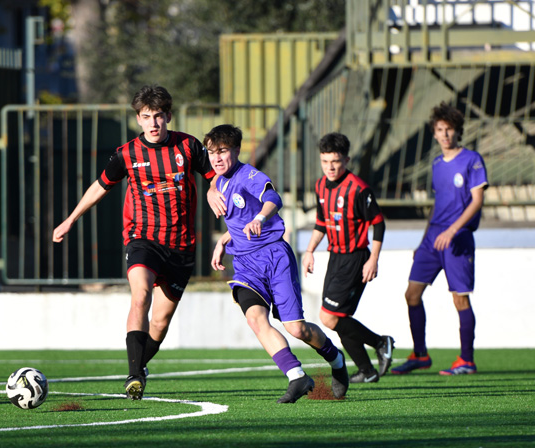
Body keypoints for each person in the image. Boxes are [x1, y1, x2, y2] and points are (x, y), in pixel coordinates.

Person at [52, 85, 216, 400]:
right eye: (146, 116)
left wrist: (212, 189)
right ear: (138, 119)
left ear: (168, 116)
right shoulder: (127, 153)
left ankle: (140, 365)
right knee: (140, 296)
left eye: (158, 116)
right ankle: (134, 374)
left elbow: (214, 176)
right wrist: (71, 219)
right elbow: (100, 186)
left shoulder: (188, 146)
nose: (153, 123)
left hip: (181, 245)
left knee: (160, 322)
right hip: (142, 238)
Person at [205, 124, 349, 403]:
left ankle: (336, 359)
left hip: (274, 256)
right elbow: (237, 215)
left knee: (296, 329)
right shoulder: (219, 181)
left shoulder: (249, 175)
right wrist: (223, 239)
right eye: (212, 152)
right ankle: (297, 376)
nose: (216, 158)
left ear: (237, 150)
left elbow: (273, 198)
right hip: (245, 264)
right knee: (255, 319)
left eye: (222, 151)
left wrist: (260, 218)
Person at [392, 102, 487, 376]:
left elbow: (477, 201)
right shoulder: (436, 164)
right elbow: (438, 204)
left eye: (449, 129)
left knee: (460, 299)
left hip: (458, 238)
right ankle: (420, 354)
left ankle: (466, 360)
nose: (445, 134)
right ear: (434, 133)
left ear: (458, 131)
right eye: (440, 129)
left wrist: (452, 230)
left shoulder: (472, 160)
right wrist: (423, 240)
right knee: (412, 294)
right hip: (433, 238)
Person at [301, 133, 394, 384]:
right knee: (338, 317)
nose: (330, 167)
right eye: (325, 161)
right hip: (335, 258)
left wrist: (373, 259)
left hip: (355, 258)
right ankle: (367, 370)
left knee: (329, 317)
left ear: (346, 160)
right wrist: (309, 251)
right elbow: (321, 223)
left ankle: (380, 343)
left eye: (335, 161)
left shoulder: (358, 189)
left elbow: (379, 224)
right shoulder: (321, 186)